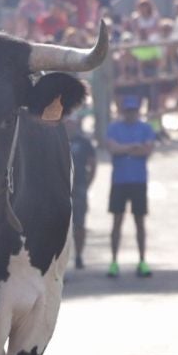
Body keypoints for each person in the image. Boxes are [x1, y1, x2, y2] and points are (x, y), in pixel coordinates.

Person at [105, 94, 156, 278]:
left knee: (139, 222)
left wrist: (124, 148)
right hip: (119, 181)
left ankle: (142, 260)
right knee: (117, 221)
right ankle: (113, 261)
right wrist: (133, 147)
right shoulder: (114, 128)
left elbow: (147, 150)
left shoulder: (146, 128)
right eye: (128, 111)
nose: (131, 114)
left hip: (138, 181)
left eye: (133, 110)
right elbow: (112, 148)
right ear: (123, 111)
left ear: (137, 111)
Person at [69, 115, 97, 270]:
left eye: (71, 121)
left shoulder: (84, 142)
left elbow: (93, 164)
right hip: (60, 190)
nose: (69, 124)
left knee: (79, 224)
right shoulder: (57, 139)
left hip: (78, 186)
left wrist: (87, 184)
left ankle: (79, 255)